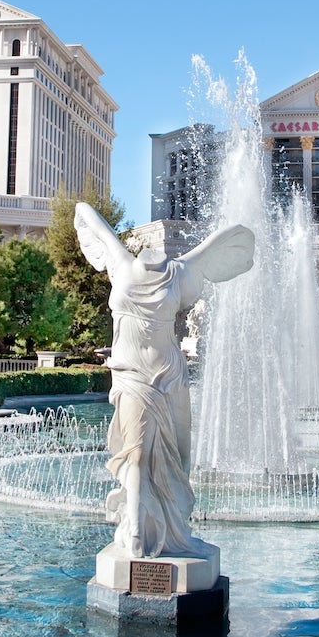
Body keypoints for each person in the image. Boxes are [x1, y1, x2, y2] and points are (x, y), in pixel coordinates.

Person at [74, 203, 254, 559]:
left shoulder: (181, 272)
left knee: (178, 456)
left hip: (169, 375)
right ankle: (138, 531)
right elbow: (83, 210)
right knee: (137, 453)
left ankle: (174, 527)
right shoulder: (121, 263)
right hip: (130, 374)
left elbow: (239, 242)